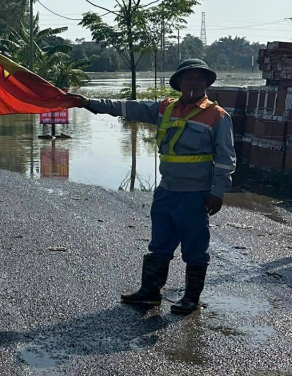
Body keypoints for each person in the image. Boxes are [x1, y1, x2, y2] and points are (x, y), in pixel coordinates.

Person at [68, 59, 236, 315]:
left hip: (196, 194)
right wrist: (88, 103)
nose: (194, 82)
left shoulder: (218, 116)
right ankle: (150, 292)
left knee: (195, 247)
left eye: (200, 78)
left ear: (207, 83)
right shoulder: (164, 108)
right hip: (167, 191)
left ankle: (191, 299)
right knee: (159, 244)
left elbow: (226, 158)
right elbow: (126, 107)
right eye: (189, 78)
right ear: (179, 82)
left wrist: (218, 192)